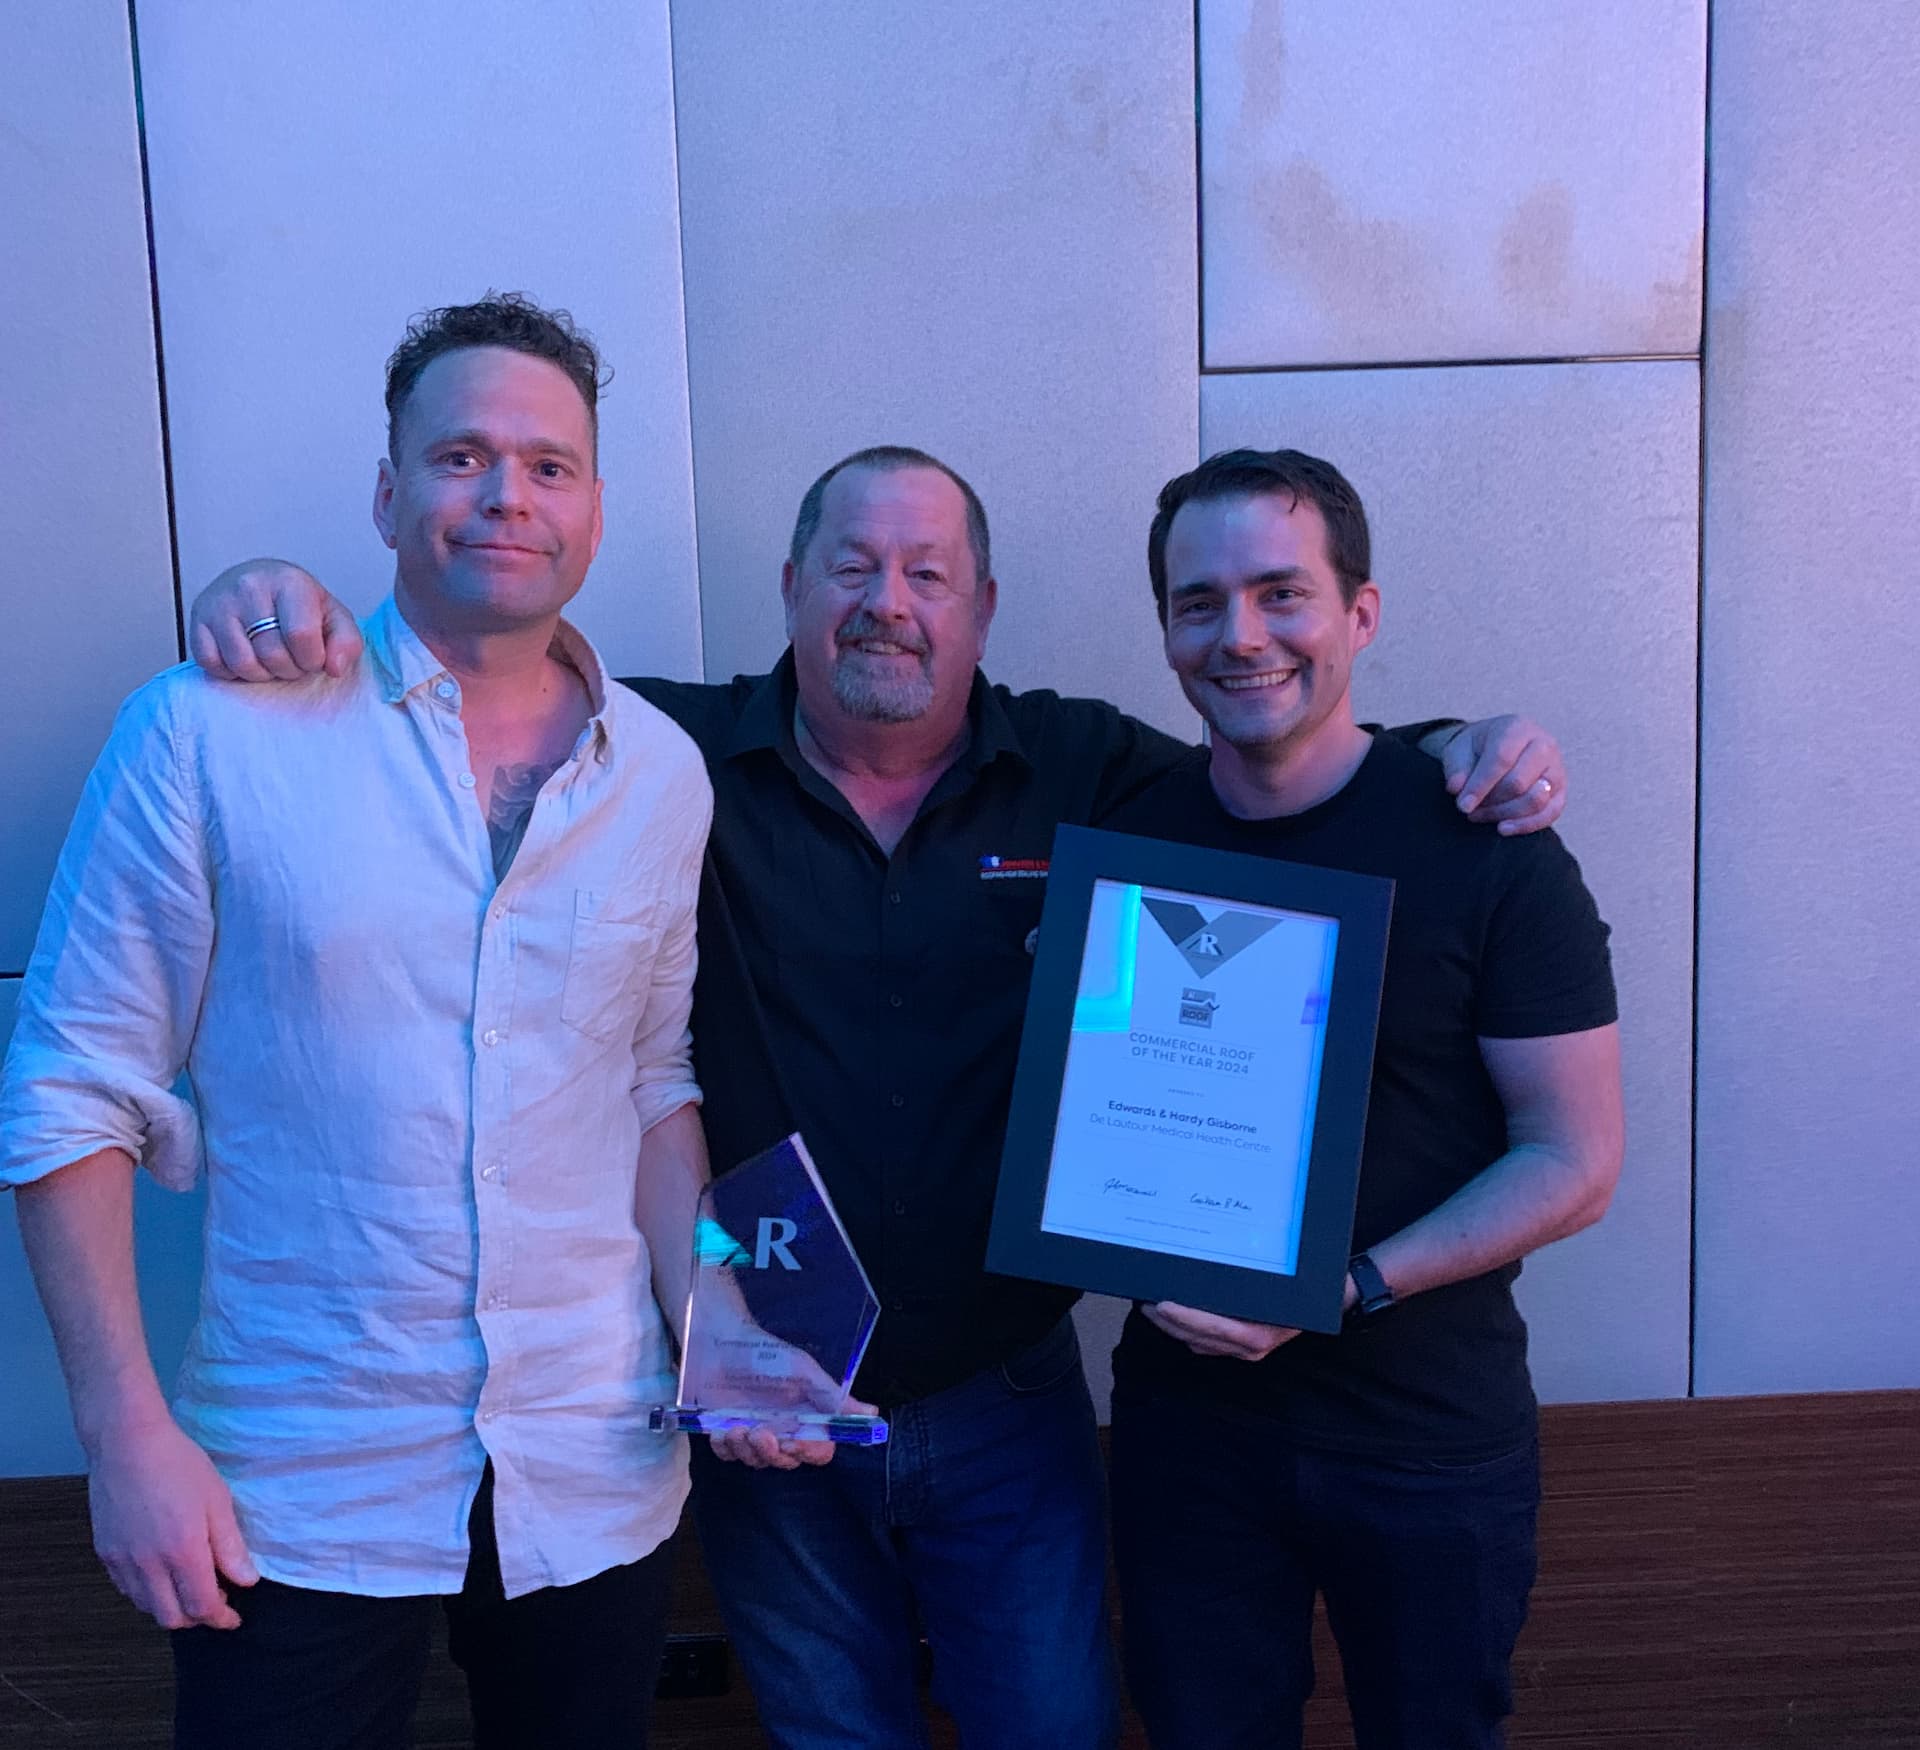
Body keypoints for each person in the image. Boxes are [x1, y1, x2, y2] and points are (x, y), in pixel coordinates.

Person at [185, 445, 1572, 1748]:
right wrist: (278, 605)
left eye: (926, 573)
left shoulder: (1094, 775)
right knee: (832, 1733)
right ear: (793, 588)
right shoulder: (659, 760)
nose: (887, 603)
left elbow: (1279, 760)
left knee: (1054, 1729)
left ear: (983, 607)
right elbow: (482, 686)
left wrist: (1460, 743)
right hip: (768, 1391)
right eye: (851, 568)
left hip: (1009, 1393)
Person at [0, 295, 717, 1750]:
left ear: (594, 508)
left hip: (594, 1463)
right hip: (301, 1477)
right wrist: (124, 1436)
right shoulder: (208, 732)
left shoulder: (662, 773)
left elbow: (651, 1085)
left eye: (549, 465)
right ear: (389, 496)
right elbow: (74, 1088)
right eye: (462, 457)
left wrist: (724, 1330)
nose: (506, 494)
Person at [1100, 448, 1625, 1750]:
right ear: (1165, 627)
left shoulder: (1489, 845)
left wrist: (1342, 1289)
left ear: (1361, 612)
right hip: (1186, 1435)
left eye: (1282, 592)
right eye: (1200, 602)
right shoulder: (1126, 843)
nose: (1241, 635)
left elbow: (1575, 1159)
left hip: (1426, 1438)